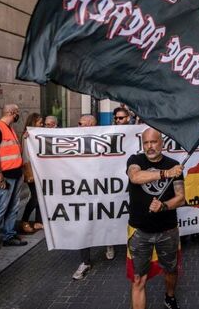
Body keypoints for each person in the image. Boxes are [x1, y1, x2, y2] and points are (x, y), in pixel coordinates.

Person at [126, 128, 185, 309]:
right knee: (138, 279)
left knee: (171, 270)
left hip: (167, 229)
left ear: (162, 143)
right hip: (139, 231)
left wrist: (164, 205)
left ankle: (170, 296)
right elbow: (135, 177)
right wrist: (165, 173)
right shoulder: (135, 161)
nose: (150, 147)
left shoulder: (174, 164)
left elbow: (181, 198)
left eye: (154, 142)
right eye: (146, 143)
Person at [72, 114, 116, 280]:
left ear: (91, 124)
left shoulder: (102, 139)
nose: (78, 126)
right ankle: (85, 261)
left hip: (101, 189)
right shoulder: (74, 140)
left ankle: (109, 242)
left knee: (104, 217)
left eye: (81, 123)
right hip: (83, 191)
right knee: (84, 225)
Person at [0, 104, 27, 251]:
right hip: (3, 177)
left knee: (13, 208)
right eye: (17, 113)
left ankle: (9, 236)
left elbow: (13, 151)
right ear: (12, 113)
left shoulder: (10, 129)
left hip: (15, 174)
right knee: (0, 208)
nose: (18, 115)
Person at [20, 113, 44, 234]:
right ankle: (24, 221)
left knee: (39, 197)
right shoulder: (27, 136)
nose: (42, 124)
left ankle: (38, 221)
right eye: (40, 122)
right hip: (32, 171)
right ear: (34, 122)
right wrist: (29, 171)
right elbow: (26, 157)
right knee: (35, 197)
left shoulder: (36, 135)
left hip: (39, 171)